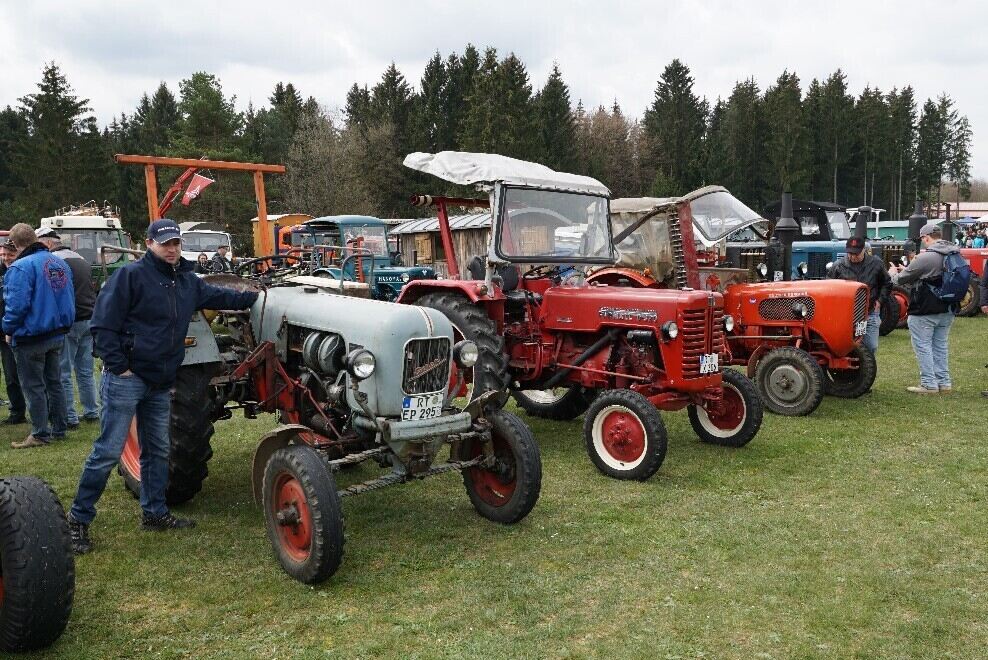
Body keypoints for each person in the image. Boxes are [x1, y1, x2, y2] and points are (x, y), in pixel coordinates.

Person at [68, 219, 259, 554]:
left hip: (161, 382)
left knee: (157, 450)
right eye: (165, 243)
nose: (172, 249)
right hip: (129, 379)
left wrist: (256, 297)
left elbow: (220, 295)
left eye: (176, 244)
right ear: (149, 243)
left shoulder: (187, 281)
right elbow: (102, 325)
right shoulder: (130, 277)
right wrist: (120, 367)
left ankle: (154, 512)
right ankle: (78, 521)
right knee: (107, 451)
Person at [1, 224, 74, 447]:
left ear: (14, 243)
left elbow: (17, 305)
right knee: (54, 382)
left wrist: (7, 328)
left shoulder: (21, 267)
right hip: (56, 332)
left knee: (33, 387)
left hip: (32, 335)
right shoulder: (58, 263)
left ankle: (40, 433)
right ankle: (60, 427)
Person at [37, 227, 99, 427]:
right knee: (85, 371)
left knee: (63, 372)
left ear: (47, 243)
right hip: (89, 318)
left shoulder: (54, 262)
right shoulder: (80, 259)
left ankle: (70, 416)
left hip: (70, 322)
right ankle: (91, 410)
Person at [888, 223, 961, 394]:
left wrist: (893, 272)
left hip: (926, 308)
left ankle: (929, 384)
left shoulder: (925, 257)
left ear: (926, 237)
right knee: (940, 345)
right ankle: (944, 383)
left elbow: (900, 280)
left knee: (923, 346)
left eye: (922, 238)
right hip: (948, 307)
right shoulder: (954, 251)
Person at [828, 236, 891, 353]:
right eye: (850, 253)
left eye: (856, 254)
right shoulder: (838, 266)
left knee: (871, 346)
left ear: (863, 250)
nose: (853, 256)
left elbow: (887, 283)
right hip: (846, 314)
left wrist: (880, 301)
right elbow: (829, 287)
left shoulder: (876, 263)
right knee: (845, 345)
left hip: (870, 311)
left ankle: (867, 369)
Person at [0, 240, 26, 425]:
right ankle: (16, 411)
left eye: (10, 254)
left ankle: (20, 411)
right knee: (9, 375)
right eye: (3, 254)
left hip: (12, 330)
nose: (6, 258)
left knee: (15, 374)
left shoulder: (20, 271)